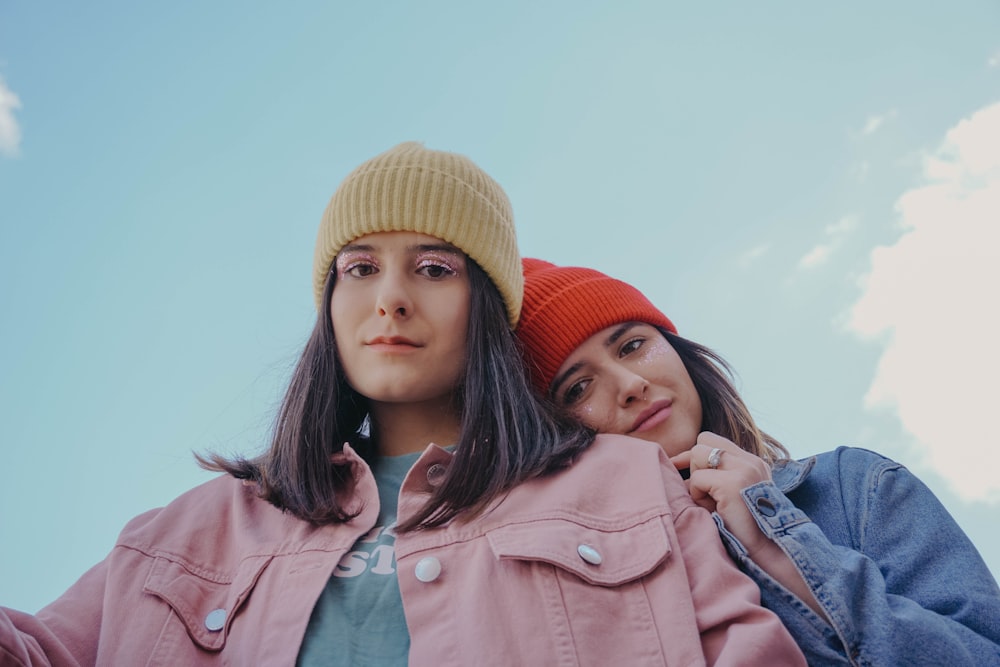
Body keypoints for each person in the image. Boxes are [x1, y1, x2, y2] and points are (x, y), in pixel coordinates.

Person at [0, 143, 805, 666]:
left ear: (485, 306)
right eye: (358, 268)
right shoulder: (186, 529)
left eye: (433, 268)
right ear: (329, 306)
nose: (390, 299)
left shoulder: (626, 482)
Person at [516, 257, 1000, 666]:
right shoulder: (569, 587)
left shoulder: (856, 487)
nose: (629, 385)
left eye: (632, 345)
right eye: (578, 388)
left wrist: (777, 544)